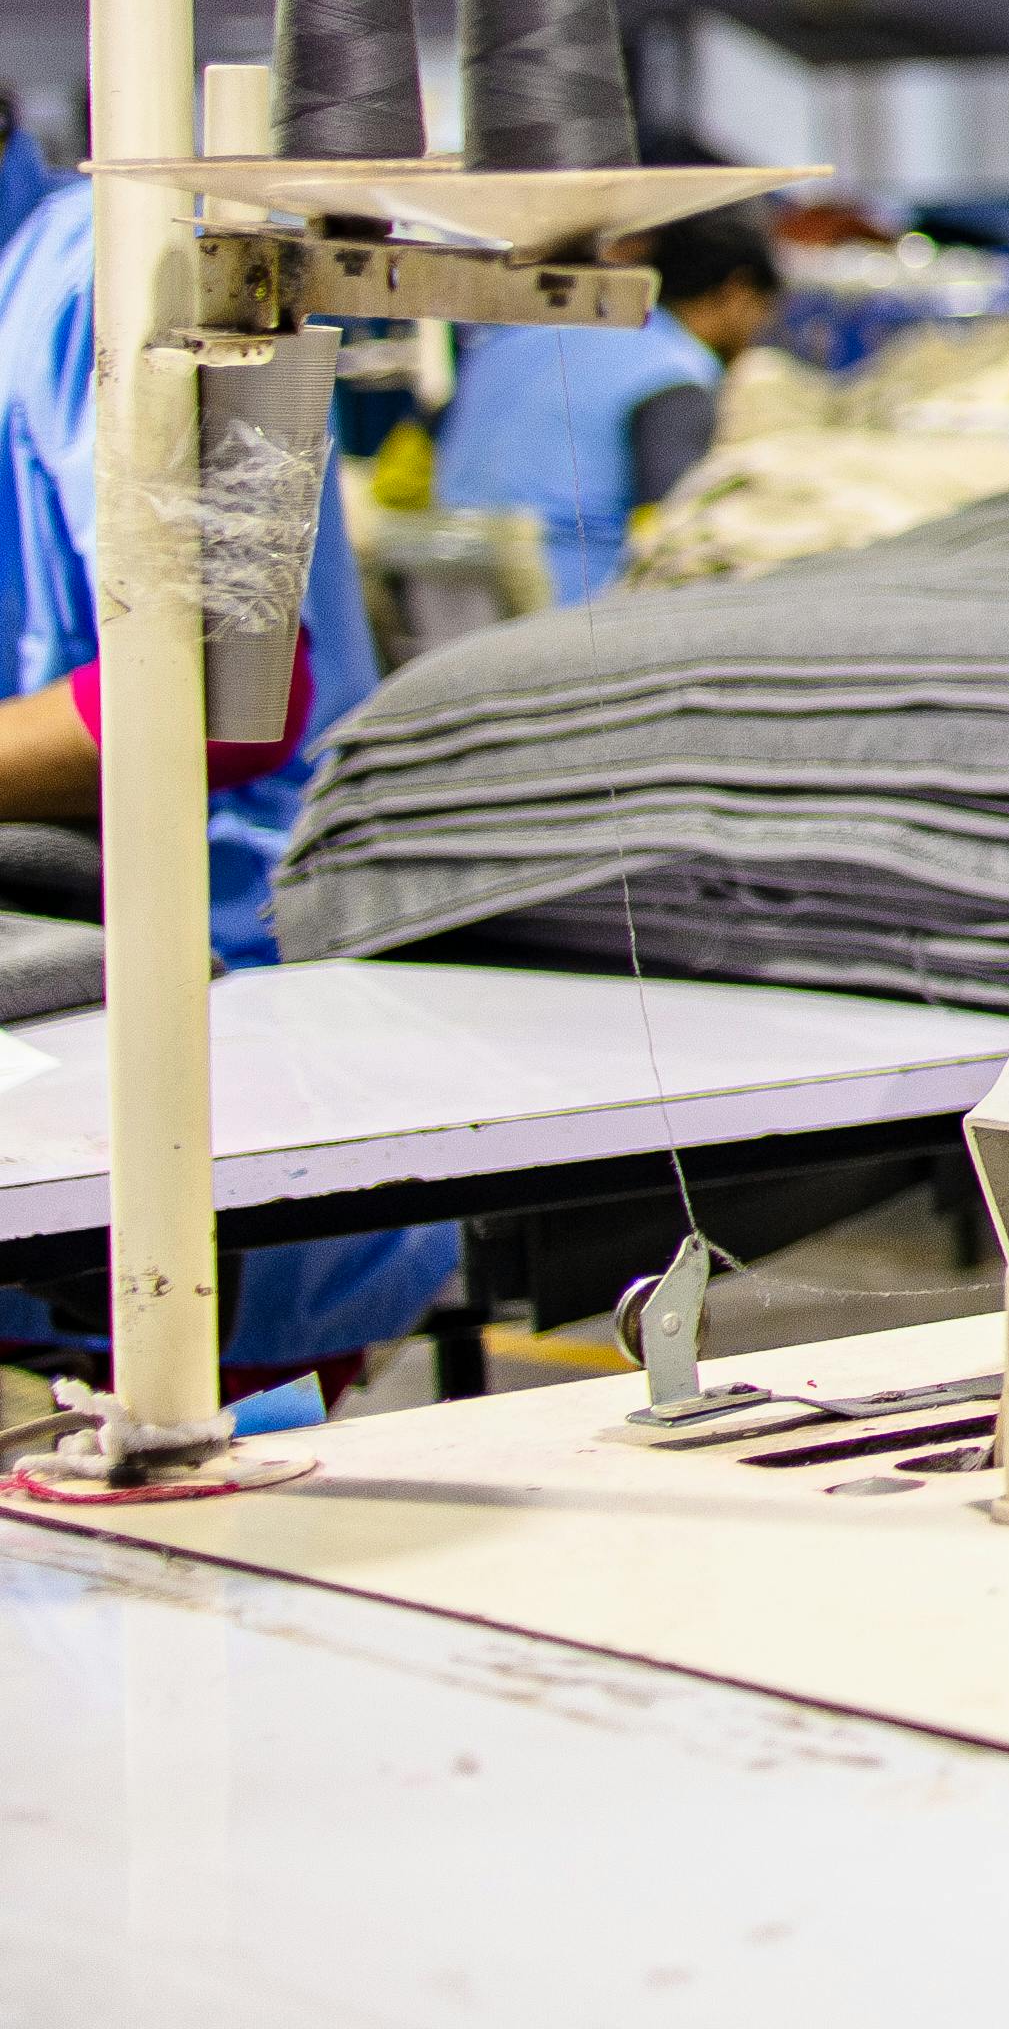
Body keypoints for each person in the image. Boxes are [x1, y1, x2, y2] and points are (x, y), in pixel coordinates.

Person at [0, 178, 457, 1398]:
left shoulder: (107, 278)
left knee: (197, 1535)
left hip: (210, 1045)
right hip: (75, 1045)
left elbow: (221, 693)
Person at [430, 204, 782, 602]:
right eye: (764, 311)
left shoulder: (507, 342)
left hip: (446, 606)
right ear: (737, 293)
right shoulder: (672, 372)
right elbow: (675, 538)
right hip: (576, 615)